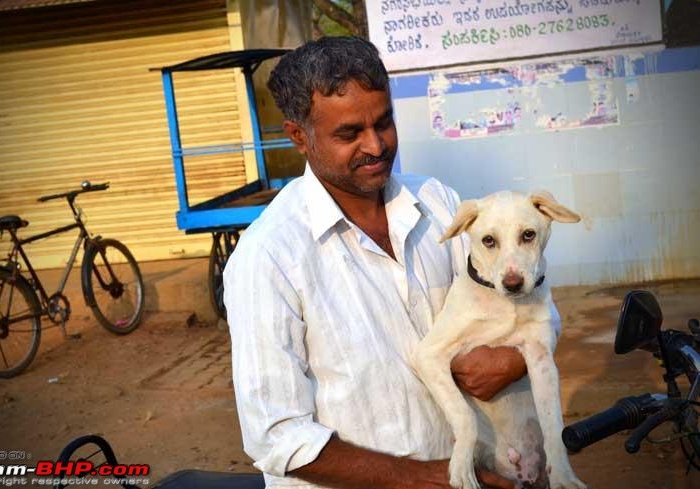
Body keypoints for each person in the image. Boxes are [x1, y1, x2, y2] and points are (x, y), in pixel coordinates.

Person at [224, 36, 556, 489]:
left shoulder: (437, 203)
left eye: (384, 122)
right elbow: (276, 435)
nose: (376, 145)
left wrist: (517, 359)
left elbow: (529, 303)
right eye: (349, 133)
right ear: (299, 137)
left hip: (477, 473)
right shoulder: (268, 257)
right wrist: (420, 479)